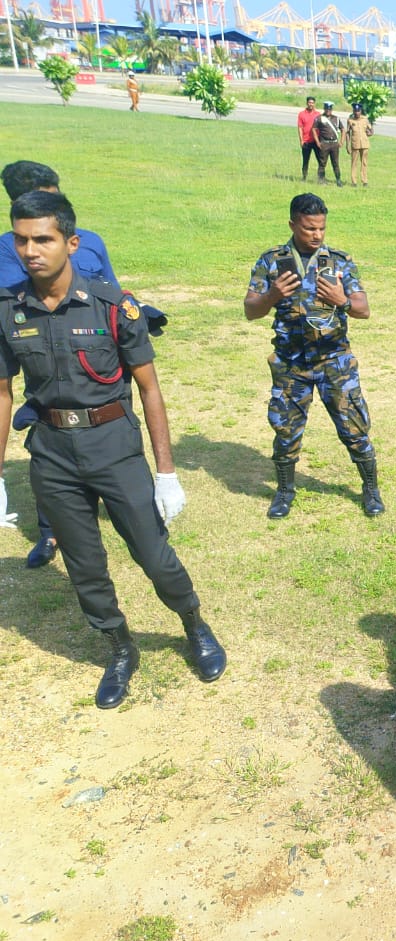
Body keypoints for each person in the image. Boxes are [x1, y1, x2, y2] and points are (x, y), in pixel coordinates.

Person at [0, 191, 226, 709]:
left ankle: (193, 623)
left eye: (43, 239)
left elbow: (149, 388)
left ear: (71, 243)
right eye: (21, 240)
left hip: (113, 447)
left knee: (154, 554)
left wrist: (166, 472)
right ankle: (120, 649)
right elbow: (3, 393)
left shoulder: (112, 305)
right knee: (84, 568)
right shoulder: (8, 310)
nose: (31, 250)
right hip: (52, 454)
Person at [1, 161, 120, 569]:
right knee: (50, 448)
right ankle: (50, 530)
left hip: (96, 359)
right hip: (45, 361)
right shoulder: (9, 250)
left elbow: (111, 288)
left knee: (113, 429)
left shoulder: (90, 241)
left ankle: (123, 504)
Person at [243, 193, 384, 518]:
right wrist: (273, 294)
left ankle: (371, 489)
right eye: (309, 228)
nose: (317, 234)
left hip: (334, 361)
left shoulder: (339, 261)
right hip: (291, 363)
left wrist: (341, 300)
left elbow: (363, 309)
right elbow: (250, 310)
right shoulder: (271, 262)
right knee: (285, 431)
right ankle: (284, 492)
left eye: (321, 228)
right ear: (293, 224)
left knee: (354, 428)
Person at [312, 101, 345, 187]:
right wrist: (317, 142)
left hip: (334, 144)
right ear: (324, 109)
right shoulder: (319, 118)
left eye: (329, 109)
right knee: (322, 163)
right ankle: (321, 180)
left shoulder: (336, 118)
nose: (328, 111)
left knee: (335, 163)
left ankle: (338, 180)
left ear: (331, 110)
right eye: (326, 109)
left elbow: (343, 129)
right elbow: (314, 129)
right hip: (324, 143)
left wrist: (342, 141)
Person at [344, 103, 373, 188]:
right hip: (355, 144)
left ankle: (365, 181)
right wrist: (347, 145)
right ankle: (354, 181)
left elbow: (371, 129)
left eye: (358, 111)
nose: (357, 113)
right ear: (353, 111)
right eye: (355, 111)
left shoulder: (365, 119)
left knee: (364, 163)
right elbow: (348, 133)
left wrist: (370, 133)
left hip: (364, 144)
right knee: (354, 163)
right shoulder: (350, 120)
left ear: (361, 111)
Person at [297, 96, 320, 182]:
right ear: (307, 103)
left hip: (316, 141)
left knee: (320, 161)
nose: (311, 104)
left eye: (312, 103)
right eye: (309, 102)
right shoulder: (301, 114)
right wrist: (301, 140)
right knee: (305, 161)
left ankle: (320, 178)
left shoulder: (318, 114)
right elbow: (300, 128)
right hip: (306, 141)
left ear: (314, 104)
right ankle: (304, 177)